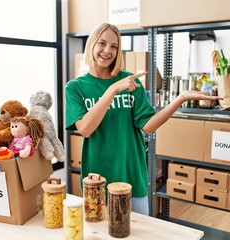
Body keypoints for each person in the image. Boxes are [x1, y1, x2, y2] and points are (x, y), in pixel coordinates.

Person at [65, 23, 222, 215]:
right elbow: (85, 129)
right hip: (97, 179)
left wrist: (180, 99)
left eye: (114, 46)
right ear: (91, 45)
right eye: (102, 44)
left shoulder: (130, 81)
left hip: (132, 176)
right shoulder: (75, 87)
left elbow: (148, 126)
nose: (108, 51)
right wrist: (113, 89)